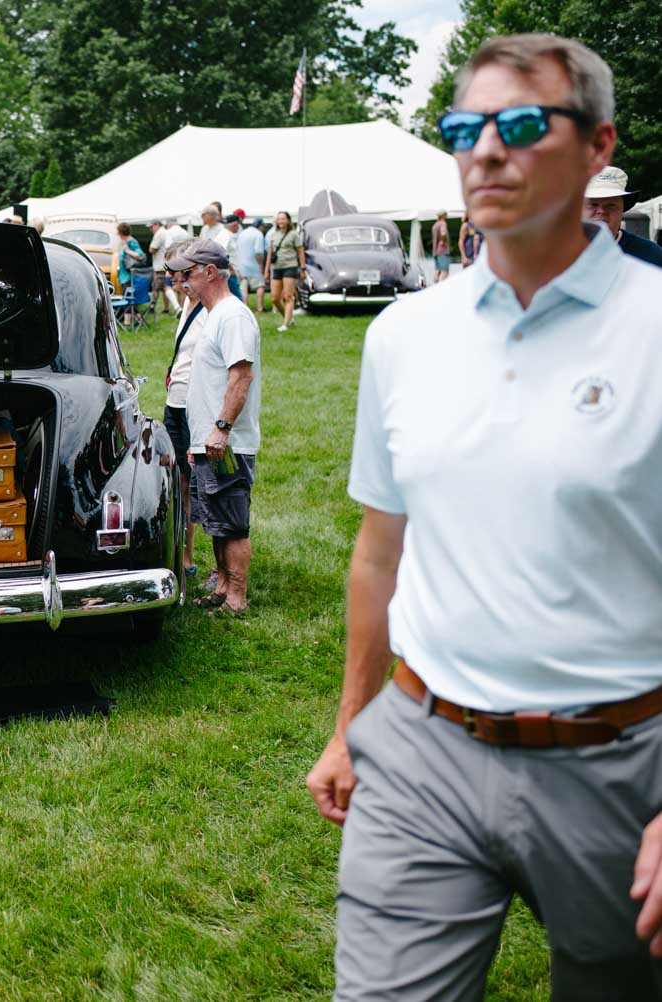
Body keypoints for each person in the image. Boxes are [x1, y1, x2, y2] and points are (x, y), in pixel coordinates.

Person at [304, 34, 662, 998]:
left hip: (621, 765)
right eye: (465, 128)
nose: (485, 151)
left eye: (519, 125)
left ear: (596, 150)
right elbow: (380, 555)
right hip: (424, 748)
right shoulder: (404, 335)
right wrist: (351, 727)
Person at [168, 239, 260, 616]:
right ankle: (222, 585)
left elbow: (241, 377)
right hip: (207, 440)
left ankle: (237, 596)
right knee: (216, 521)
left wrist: (221, 428)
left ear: (210, 271)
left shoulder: (233, 316)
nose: (182, 281)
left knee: (233, 523)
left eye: (187, 273)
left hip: (228, 443)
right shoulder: (211, 314)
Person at [161, 240, 208, 584]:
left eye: (179, 274)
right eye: (170, 275)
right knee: (176, 481)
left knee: (193, 485)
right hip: (174, 404)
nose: (174, 282)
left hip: (194, 408)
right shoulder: (187, 307)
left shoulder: (210, 311)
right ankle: (179, 551)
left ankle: (188, 555)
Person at [583, 164, 662, 267]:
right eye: (593, 205)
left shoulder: (650, 255)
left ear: (622, 210)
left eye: (611, 205)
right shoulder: (559, 252)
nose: (601, 211)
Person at [267, 210, 304, 331]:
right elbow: (270, 253)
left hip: (290, 266)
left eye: (283, 219)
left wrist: (302, 268)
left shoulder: (294, 234)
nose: (281, 221)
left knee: (288, 296)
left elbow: (300, 251)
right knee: (275, 298)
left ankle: (285, 324)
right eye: (279, 219)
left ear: (288, 220)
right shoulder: (274, 234)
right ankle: (289, 317)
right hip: (276, 267)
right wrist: (266, 270)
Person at [232, 212, 267, 312]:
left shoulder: (243, 233)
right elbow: (258, 252)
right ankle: (260, 307)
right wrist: (261, 264)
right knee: (260, 285)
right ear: (260, 226)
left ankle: (245, 307)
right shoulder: (258, 234)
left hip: (241, 263)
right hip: (254, 264)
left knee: (244, 285)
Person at [148, 220, 183, 315]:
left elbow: (152, 249)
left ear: (156, 224)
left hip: (162, 266)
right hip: (177, 264)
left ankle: (152, 306)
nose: (150, 229)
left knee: (158, 288)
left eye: (151, 227)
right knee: (173, 288)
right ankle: (170, 308)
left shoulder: (161, 233)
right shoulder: (181, 232)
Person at [431, 210, 452, 282]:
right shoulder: (443, 223)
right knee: (444, 271)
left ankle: (435, 287)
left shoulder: (435, 225)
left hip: (435, 251)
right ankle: (444, 288)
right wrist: (442, 241)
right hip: (443, 251)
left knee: (437, 270)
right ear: (443, 215)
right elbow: (443, 233)